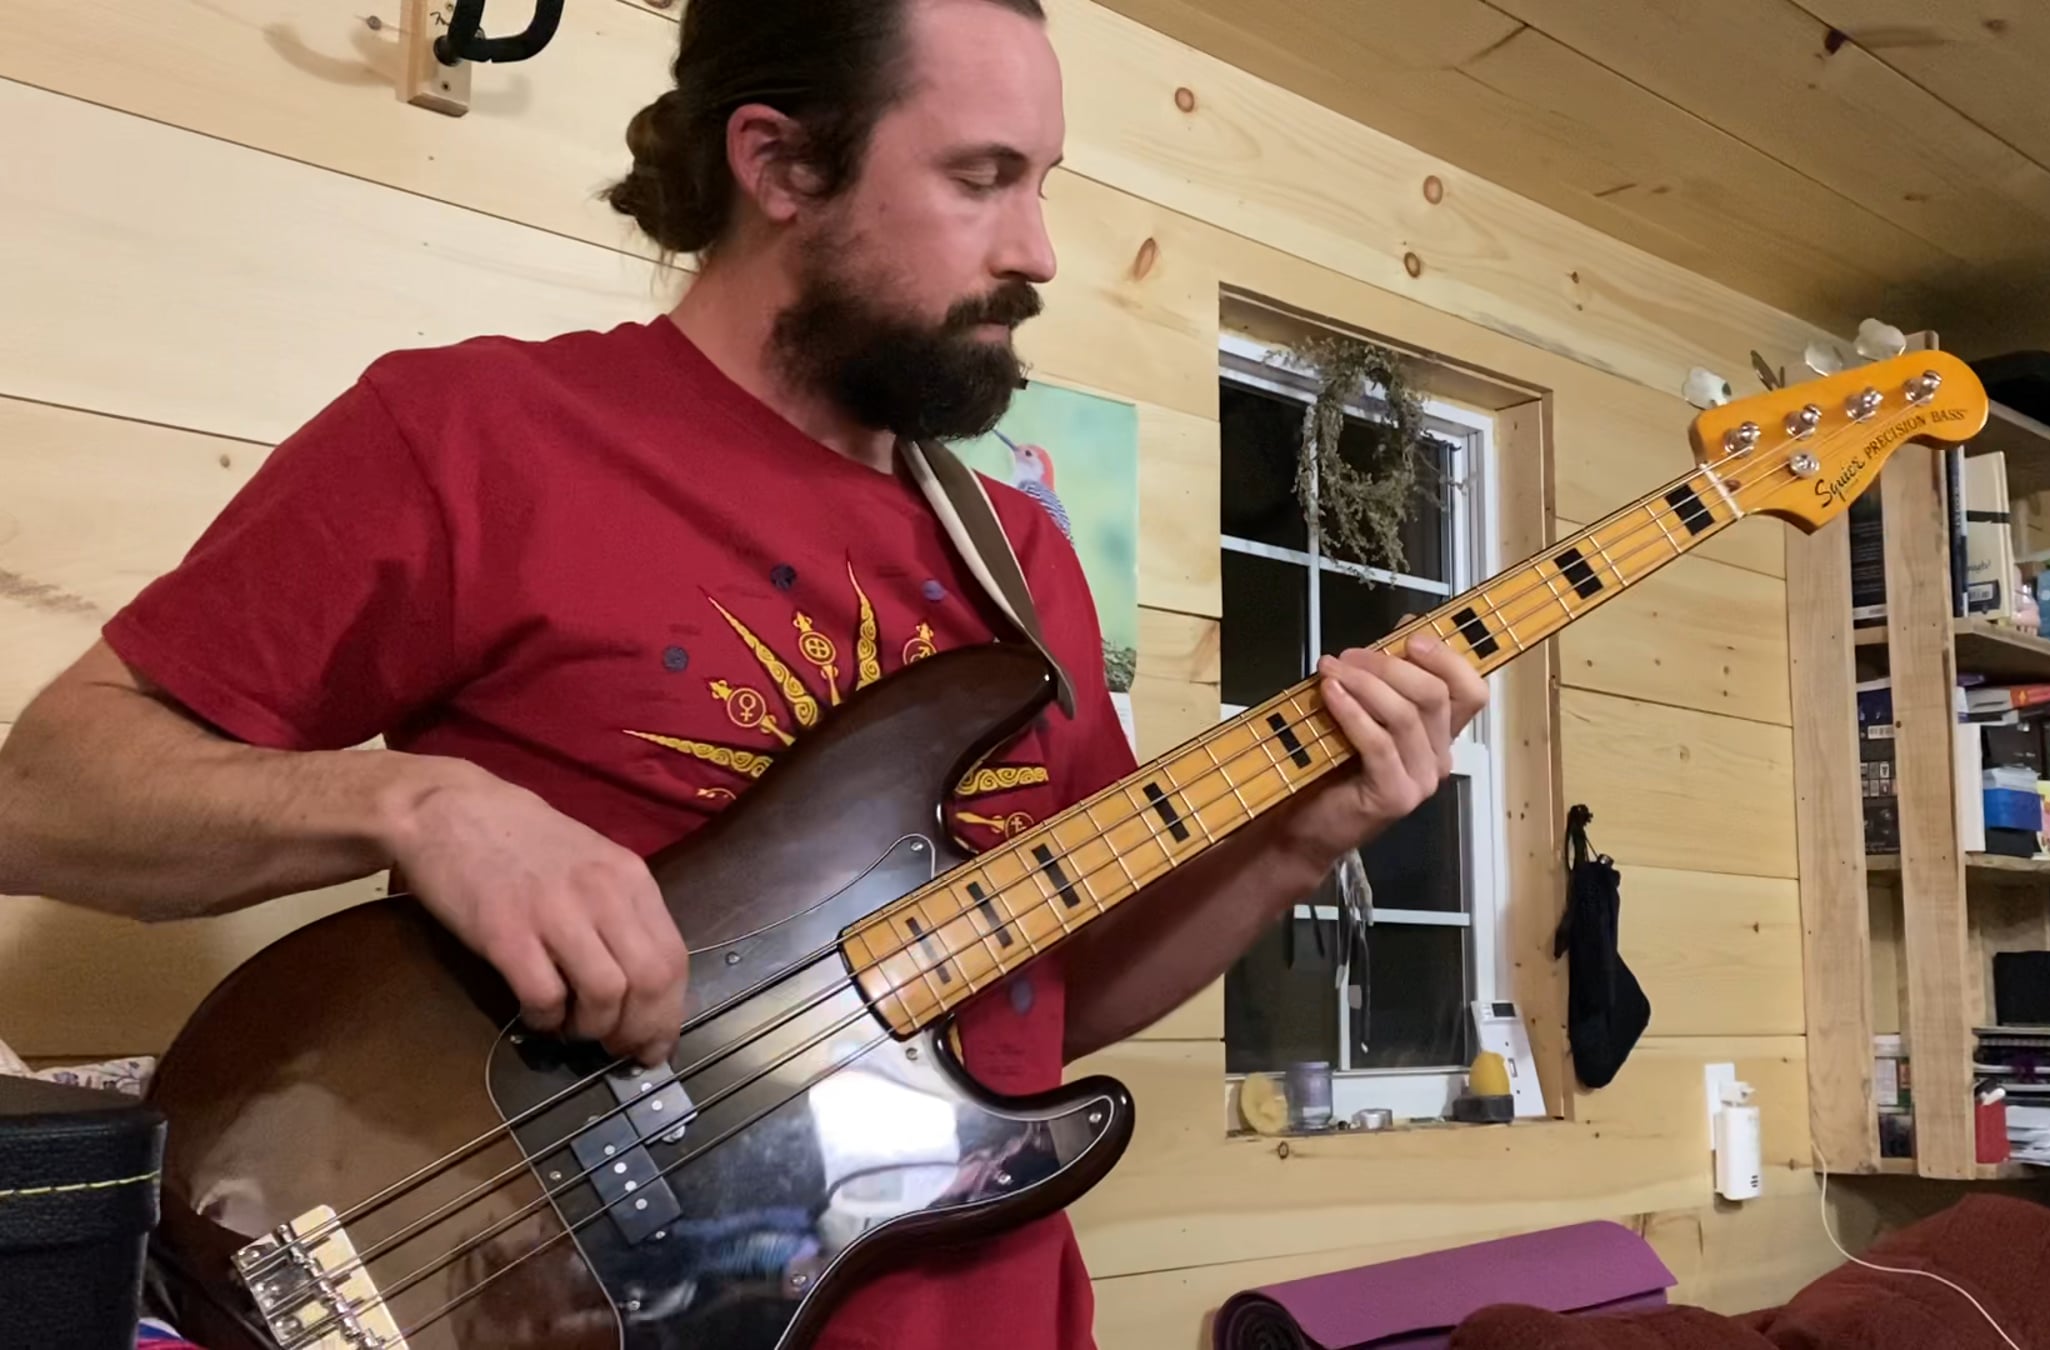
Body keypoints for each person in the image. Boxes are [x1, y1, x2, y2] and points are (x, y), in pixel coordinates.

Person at [0, 0, 1486, 1345]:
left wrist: (1302, 837)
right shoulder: (472, 436)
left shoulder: (1020, 554)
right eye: (982, 178)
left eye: (1043, 183)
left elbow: (1052, 1001)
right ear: (778, 164)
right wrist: (417, 804)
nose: (1037, 249)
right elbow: (43, 799)